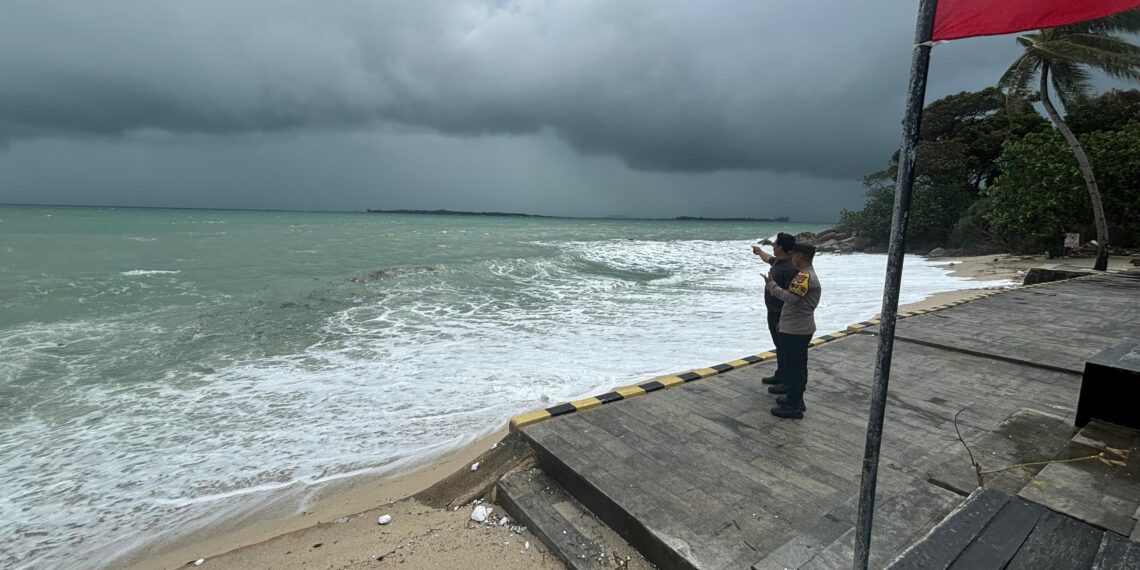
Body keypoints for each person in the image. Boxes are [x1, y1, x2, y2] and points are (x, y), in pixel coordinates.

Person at [763, 244, 821, 419]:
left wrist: (771, 285)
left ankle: (794, 405)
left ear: (801, 258)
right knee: (796, 366)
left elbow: (790, 298)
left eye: (794, 256)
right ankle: (794, 399)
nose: (791, 259)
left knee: (795, 368)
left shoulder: (804, 276)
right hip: (796, 327)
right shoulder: (805, 275)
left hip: (797, 329)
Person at [751, 232, 799, 386]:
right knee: (779, 346)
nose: (773, 246)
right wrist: (759, 252)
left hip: (781, 315)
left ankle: (786, 382)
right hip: (773, 312)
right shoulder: (779, 261)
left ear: (781, 247)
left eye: (775, 244)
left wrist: (783, 319)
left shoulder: (791, 269)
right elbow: (768, 259)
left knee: (786, 348)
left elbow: (791, 298)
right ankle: (780, 374)